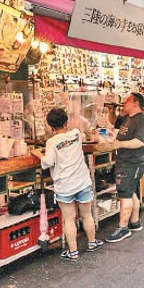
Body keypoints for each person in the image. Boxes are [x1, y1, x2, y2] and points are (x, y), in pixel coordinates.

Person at [32, 108, 103, 261]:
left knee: (69, 219)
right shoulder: (76, 134)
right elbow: (85, 137)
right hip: (82, 182)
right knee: (86, 215)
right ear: (66, 122)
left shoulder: (52, 142)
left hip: (64, 186)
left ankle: (73, 252)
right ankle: (91, 243)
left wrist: (38, 154)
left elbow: (48, 162)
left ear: (51, 126)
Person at [105, 93, 144, 243]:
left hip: (132, 162)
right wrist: (111, 112)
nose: (124, 102)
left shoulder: (143, 121)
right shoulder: (128, 118)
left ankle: (123, 228)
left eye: (127, 100)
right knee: (130, 191)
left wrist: (120, 144)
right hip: (125, 161)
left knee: (125, 193)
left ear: (136, 103)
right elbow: (115, 123)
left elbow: (140, 141)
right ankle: (135, 221)